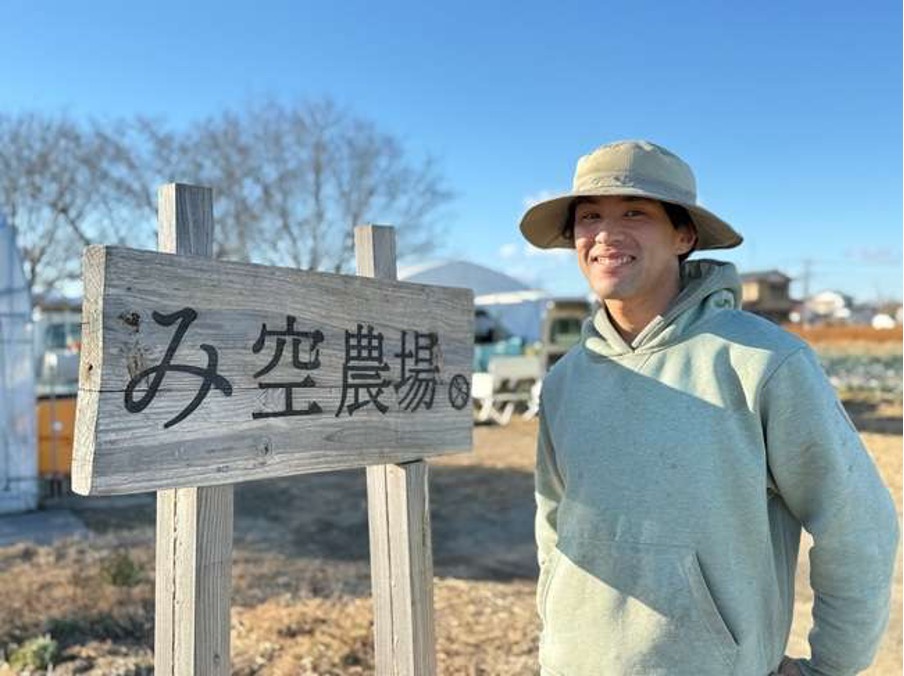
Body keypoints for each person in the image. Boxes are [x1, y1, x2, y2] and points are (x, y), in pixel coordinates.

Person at [519, 140, 898, 676]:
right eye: (589, 216)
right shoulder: (566, 380)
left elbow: (855, 522)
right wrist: (556, 619)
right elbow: (552, 522)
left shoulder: (763, 361)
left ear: (684, 235)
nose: (605, 233)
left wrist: (832, 668)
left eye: (634, 212)